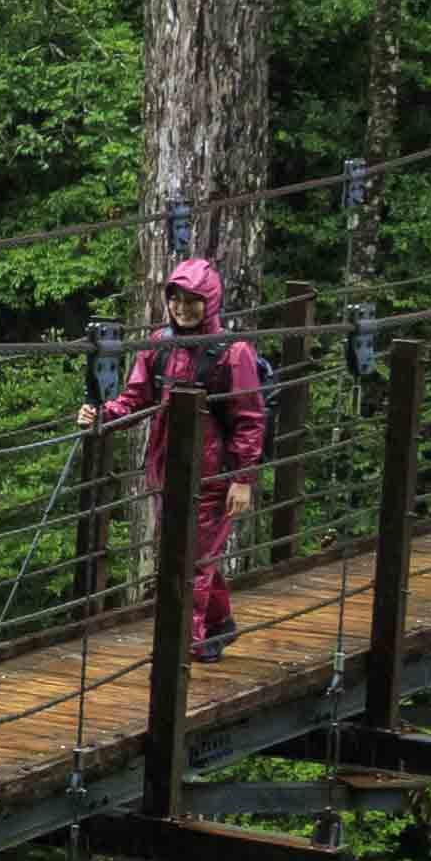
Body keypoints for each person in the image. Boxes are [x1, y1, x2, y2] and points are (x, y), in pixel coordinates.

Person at [85, 255, 268, 647]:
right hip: (167, 470)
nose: (182, 308)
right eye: (176, 299)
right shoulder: (158, 345)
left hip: (214, 476)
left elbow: (249, 419)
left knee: (189, 561)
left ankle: (185, 648)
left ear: (211, 300)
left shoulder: (233, 353)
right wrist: (104, 415)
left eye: (192, 300)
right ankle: (219, 624)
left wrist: (243, 479)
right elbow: (137, 399)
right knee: (188, 554)